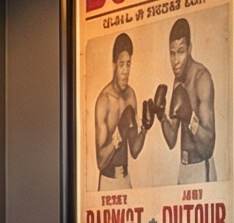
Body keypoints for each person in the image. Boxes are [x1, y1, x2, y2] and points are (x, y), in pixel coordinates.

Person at [155, 17, 218, 183]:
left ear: (190, 49)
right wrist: (161, 116)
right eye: (172, 53)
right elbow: (171, 140)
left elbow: (208, 145)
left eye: (181, 52)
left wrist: (190, 118)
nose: (176, 61)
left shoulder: (202, 78)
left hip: (201, 167)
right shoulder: (177, 81)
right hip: (183, 168)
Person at [91, 32, 147, 190]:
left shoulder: (131, 96)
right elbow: (100, 162)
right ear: (114, 65)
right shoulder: (104, 101)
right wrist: (115, 142)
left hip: (126, 179)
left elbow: (134, 151)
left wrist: (144, 130)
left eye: (128, 64)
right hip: (108, 182)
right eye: (121, 64)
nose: (125, 71)